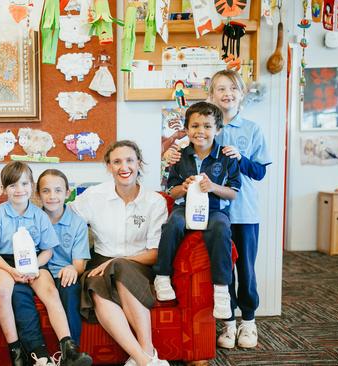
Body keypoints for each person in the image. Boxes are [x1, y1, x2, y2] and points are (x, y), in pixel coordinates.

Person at [165, 69, 271, 349]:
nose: (228, 94)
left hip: (243, 212)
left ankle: (248, 322)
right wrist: (169, 153)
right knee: (219, 268)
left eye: (233, 88)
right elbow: (174, 161)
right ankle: (229, 324)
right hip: (208, 214)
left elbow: (259, 172)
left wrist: (242, 158)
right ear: (211, 94)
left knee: (246, 269)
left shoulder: (252, 130)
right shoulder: (201, 125)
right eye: (221, 89)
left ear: (242, 94)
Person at [0, 161, 92, 366]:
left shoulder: (39, 215)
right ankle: (16, 350)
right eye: (12, 185)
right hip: (4, 262)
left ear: (32, 187)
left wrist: (33, 268)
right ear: (4, 189)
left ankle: (68, 347)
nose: (19, 190)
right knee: (2, 291)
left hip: (35, 259)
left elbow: (48, 250)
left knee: (50, 291)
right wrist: (11, 271)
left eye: (24, 184)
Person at [70, 140, 169, 366]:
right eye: (117, 162)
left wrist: (119, 260)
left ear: (139, 164)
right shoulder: (94, 196)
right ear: (108, 167)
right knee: (94, 283)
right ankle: (146, 359)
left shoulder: (155, 202)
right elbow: (65, 218)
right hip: (102, 259)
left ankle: (143, 351)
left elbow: (154, 253)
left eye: (129, 160)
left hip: (140, 262)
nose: (124, 167)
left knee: (121, 267)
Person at [152, 102, 241, 321]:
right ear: (187, 129)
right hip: (185, 208)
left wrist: (213, 187)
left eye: (207, 126)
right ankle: (162, 276)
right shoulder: (179, 156)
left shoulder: (227, 156)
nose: (200, 131)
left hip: (214, 211)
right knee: (173, 223)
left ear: (217, 129)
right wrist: (183, 188)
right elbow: (171, 193)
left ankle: (221, 289)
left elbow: (233, 193)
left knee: (221, 228)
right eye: (195, 125)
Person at [37, 169, 91, 345]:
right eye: (46, 190)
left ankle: (71, 351)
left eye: (58, 190)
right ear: (38, 195)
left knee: (69, 288)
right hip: (38, 272)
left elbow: (79, 264)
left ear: (67, 193)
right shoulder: (32, 219)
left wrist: (72, 268)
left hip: (64, 272)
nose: (52, 196)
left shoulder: (77, 224)